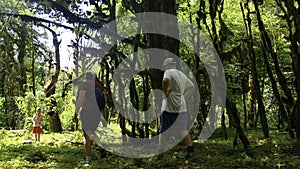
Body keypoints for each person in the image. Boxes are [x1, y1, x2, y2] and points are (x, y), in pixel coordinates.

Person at [158, 58, 195, 158]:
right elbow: (192, 87)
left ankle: (160, 152)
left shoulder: (168, 72)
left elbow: (165, 80)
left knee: (164, 129)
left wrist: (165, 92)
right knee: (182, 129)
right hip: (181, 106)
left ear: (167, 66)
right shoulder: (181, 74)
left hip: (169, 106)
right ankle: (190, 149)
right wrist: (185, 97)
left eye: (165, 67)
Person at [74, 72, 104, 164]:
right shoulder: (99, 86)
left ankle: (88, 159)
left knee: (87, 136)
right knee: (92, 132)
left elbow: (81, 99)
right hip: (97, 113)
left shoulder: (83, 85)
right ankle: (101, 148)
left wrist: (76, 112)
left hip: (87, 112)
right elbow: (104, 100)